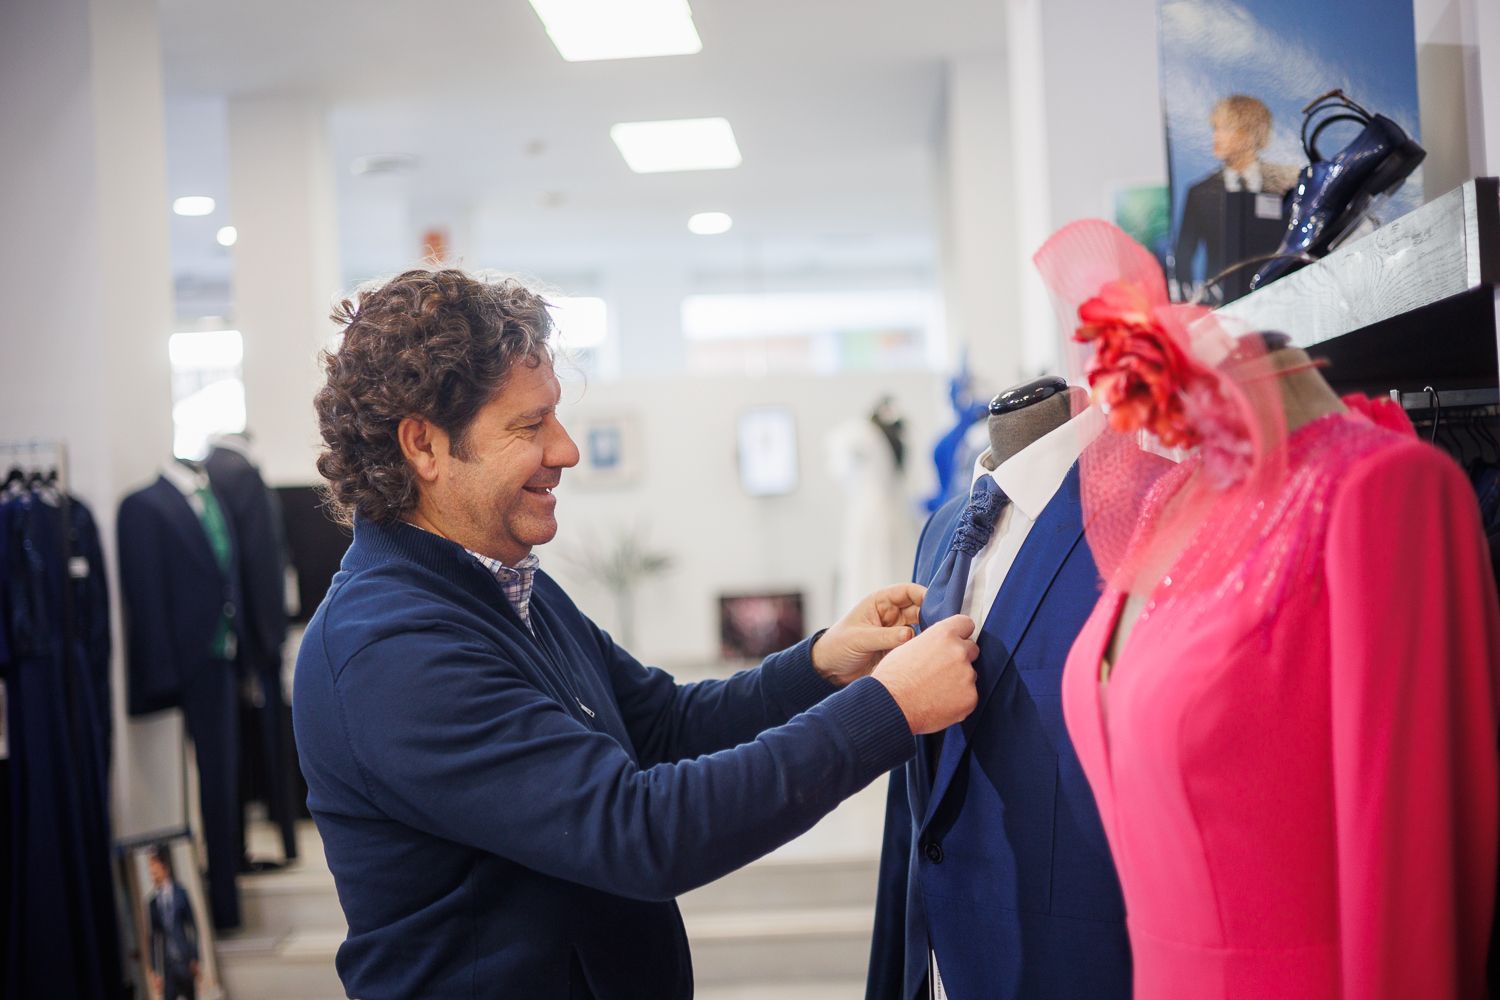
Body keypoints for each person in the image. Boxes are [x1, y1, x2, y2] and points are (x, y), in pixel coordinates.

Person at [292, 268, 980, 999]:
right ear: (423, 446)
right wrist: (888, 712)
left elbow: (658, 724)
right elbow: (641, 831)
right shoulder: (390, 650)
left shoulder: (503, 585)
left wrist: (819, 666)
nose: (565, 450)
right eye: (530, 426)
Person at [1172, 94, 1298, 301]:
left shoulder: (1287, 183)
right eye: (1215, 128)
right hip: (1221, 305)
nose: (1216, 137)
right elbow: (1184, 256)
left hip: (1281, 295)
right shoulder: (1199, 192)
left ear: (1252, 133)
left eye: (1227, 128)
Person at [146, 846, 199, 1000]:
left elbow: (192, 927)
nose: (153, 876)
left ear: (164, 869)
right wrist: (156, 971)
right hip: (168, 966)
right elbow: (154, 938)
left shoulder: (181, 894)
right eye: (151, 873)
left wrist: (195, 957)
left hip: (184, 960)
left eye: (155, 871)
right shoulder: (153, 903)